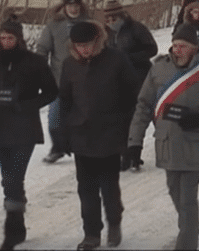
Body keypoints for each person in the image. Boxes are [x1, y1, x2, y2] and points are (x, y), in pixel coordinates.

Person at [127, 23, 199, 250]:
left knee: (187, 199)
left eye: (183, 46)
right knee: (175, 192)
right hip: (166, 144)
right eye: (175, 45)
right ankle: (191, 227)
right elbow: (144, 106)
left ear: (194, 48)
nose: (177, 50)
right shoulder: (159, 69)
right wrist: (134, 142)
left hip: (193, 145)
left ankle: (187, 242)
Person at [0, 16, 58, 250]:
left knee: (13, 179)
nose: (5, 41)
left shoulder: (35, 62)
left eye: (9, 37)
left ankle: (11, 232)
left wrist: (28, 104)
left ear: (19, 39)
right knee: (8, 180)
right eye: (2, 37)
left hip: (25, 128)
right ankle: (18, 224)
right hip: (0, 127)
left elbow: (52, 92)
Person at [56, 21, 140, 250]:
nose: (84, 49)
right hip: (81, 135)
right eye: (79, 45)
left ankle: (114, 222)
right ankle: (91, 233)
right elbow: (64, 100)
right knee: (86, 189)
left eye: (88, 44)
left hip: (110, 133)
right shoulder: (69, 65)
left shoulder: (116, 59)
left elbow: (134, 93)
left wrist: (129, 131)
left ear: (98, 41)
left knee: (109, 186)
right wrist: (62, 133)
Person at [103, 0, 158, 171]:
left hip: (140, 77)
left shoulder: (136, 28)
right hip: (118, 80)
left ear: (121, 16)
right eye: (109, 20)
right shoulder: (106, 34)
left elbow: (152, 49)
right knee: (122, 119)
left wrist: (130, 58)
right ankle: (125, 155)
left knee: (139, 117)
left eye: (114, 19)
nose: (112, 23)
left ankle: (135, 154)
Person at [36, 0, 89, 164]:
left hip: (86, 79)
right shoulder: (54, 25)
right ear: (64, 6)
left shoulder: (90, 22)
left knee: (86, 117)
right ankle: (58, 147)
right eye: (70, 5)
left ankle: (86, 147)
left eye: (76, 5)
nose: (74, 9)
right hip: (59, 80)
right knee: (54, 118)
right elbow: (43, 50)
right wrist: (42, 73)